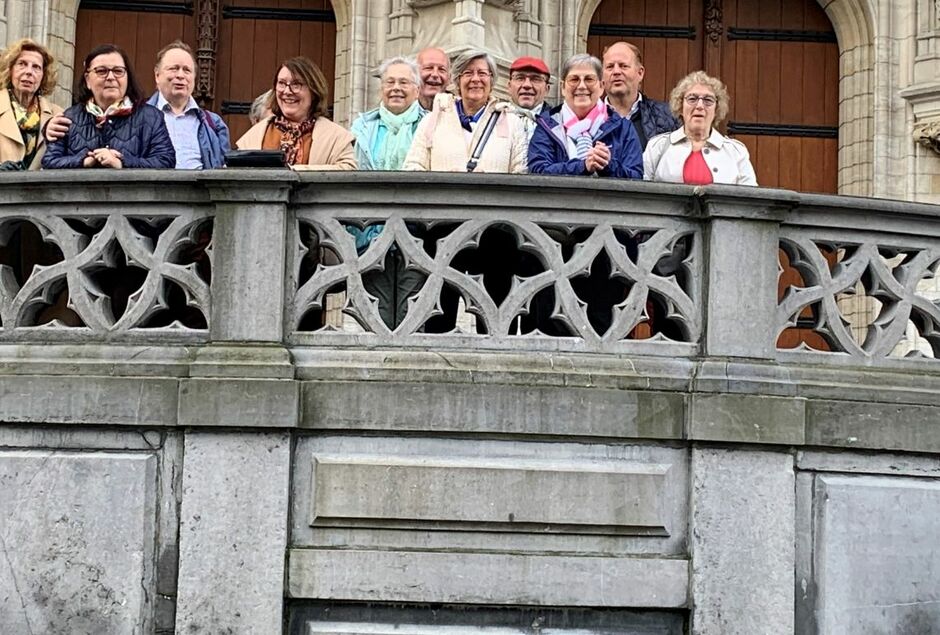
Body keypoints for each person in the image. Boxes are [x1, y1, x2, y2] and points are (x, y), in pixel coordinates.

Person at [348, 56, 426, 328]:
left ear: (417, 89)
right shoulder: (360, 129)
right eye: (390, 81)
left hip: (418, 234)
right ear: (381, 88)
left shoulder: (432, 126)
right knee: (373, 317)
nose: (396, 88)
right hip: (369, 232)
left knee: (413, 317)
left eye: (404, 82)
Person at [42, 43, 175, 169]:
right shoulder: (69, 118)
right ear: (88, 80)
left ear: (127, 78)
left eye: (118, 71)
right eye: (101, 71)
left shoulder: (152, 117)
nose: (111, 77)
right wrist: (83, 161)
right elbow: (49, 161)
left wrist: (122, 162)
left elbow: (166, 161)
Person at [403, 50, 527, 173]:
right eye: (468, 73)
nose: (475, 79)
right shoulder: (431, 120)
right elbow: (413, 167)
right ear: (457, 81)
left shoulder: (512, 123)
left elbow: (521, 173)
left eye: (482, 73)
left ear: (491, 80)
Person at [528, 53, 642, 178]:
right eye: (574, 79)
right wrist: (583, 166)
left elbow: (636, 176)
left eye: (589, 79)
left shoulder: (623, 127)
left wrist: (608, 165)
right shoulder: (547, 125)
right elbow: (537, 172)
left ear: (601, 86)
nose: (581, 86)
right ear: (563, 87)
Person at [236, 56, 355, 170]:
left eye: (296, 84)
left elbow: (349, 173)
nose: (287, 91)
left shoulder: (336, 137)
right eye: (281, 83)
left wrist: (296, 171)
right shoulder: (255, 135)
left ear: (314, 91)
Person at [643, 70, 757, 185]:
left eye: (708, 100)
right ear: (680, 106)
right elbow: (642, 194)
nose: (700, 106)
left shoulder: (736, 152)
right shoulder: (657, 147)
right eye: (692, 99)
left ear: (716, 109)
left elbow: (750, 198)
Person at [146, 41, 229, 169]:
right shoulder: (138, 118)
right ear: (157, 76)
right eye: (173, 69)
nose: (180, 75)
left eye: (187, 70)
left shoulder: (213, 123)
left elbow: (225, 168)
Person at [0, 38, 63, 170]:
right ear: (10, 70)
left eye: (36, 67)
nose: (29, 72)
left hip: (39, 190)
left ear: (43, 76)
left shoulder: (58, 115)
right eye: (22, 64)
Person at [602, 41, 677, 150]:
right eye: (610, 67)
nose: (616, 71)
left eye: (623, 66)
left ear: (640, 73)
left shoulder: (668, 117)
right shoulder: (586, 119)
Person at [507, 55, 552, 141]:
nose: (527, 85)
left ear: (547, 89)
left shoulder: (557, 125)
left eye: (536, 79)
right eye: (520, 78)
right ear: (509, 86)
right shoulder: (493, 120)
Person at [415, 47, 450, 111]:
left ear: (449, 78)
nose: (435, 74)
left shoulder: (459, 111)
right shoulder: (403, 110)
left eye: (441, 69)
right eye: (428, 68)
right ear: (415, 74)